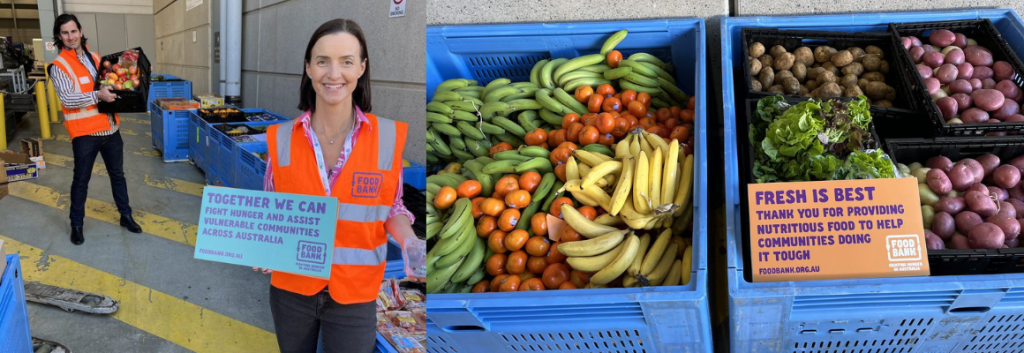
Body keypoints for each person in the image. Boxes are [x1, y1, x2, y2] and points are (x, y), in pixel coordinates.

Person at [255, 19, 425, 353]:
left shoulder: (388, 137)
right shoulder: (282, 138)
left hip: (355, 292)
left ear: (361, 68)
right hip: (292, 290)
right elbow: (272, 205)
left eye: (346, 61)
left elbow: (392, 207)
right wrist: (263, 242)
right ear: (308, 67)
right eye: (322, 61)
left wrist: (408, 243)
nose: (334, 74)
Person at [49, 14, 142, 245]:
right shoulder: (58, 66)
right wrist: (96, 95)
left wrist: (128, 83)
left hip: (110, 130)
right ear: (59, 36)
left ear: (80, 31)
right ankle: (77, 225)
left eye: (73, 31)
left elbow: (108, 85)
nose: (70, 37)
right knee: (81, 180)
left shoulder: (97, 57)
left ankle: (126, 215)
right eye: (65, 33)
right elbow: (69, 99)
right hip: (84, 134)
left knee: (118, 176)